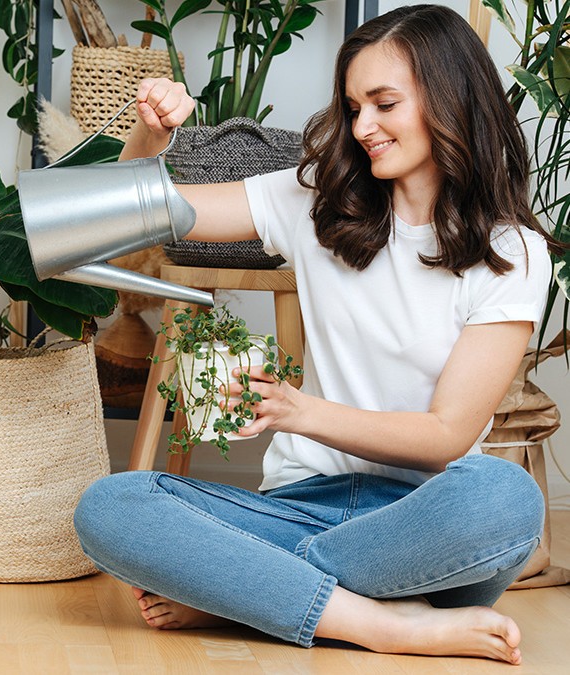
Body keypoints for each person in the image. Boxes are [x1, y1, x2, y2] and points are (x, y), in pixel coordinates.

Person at [73, 4, 565, 666]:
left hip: (425, 528)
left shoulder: (512, 250)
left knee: (508, 500)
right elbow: (118, 218)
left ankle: (247, 588)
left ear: (449, 99)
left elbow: (447, 436)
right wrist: (150, 137)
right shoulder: (313, 200)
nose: (362, 126)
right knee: (112, 504)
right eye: (353, 106)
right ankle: (382, 622)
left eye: (384, 103)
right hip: (297, 506)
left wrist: (298, 410)